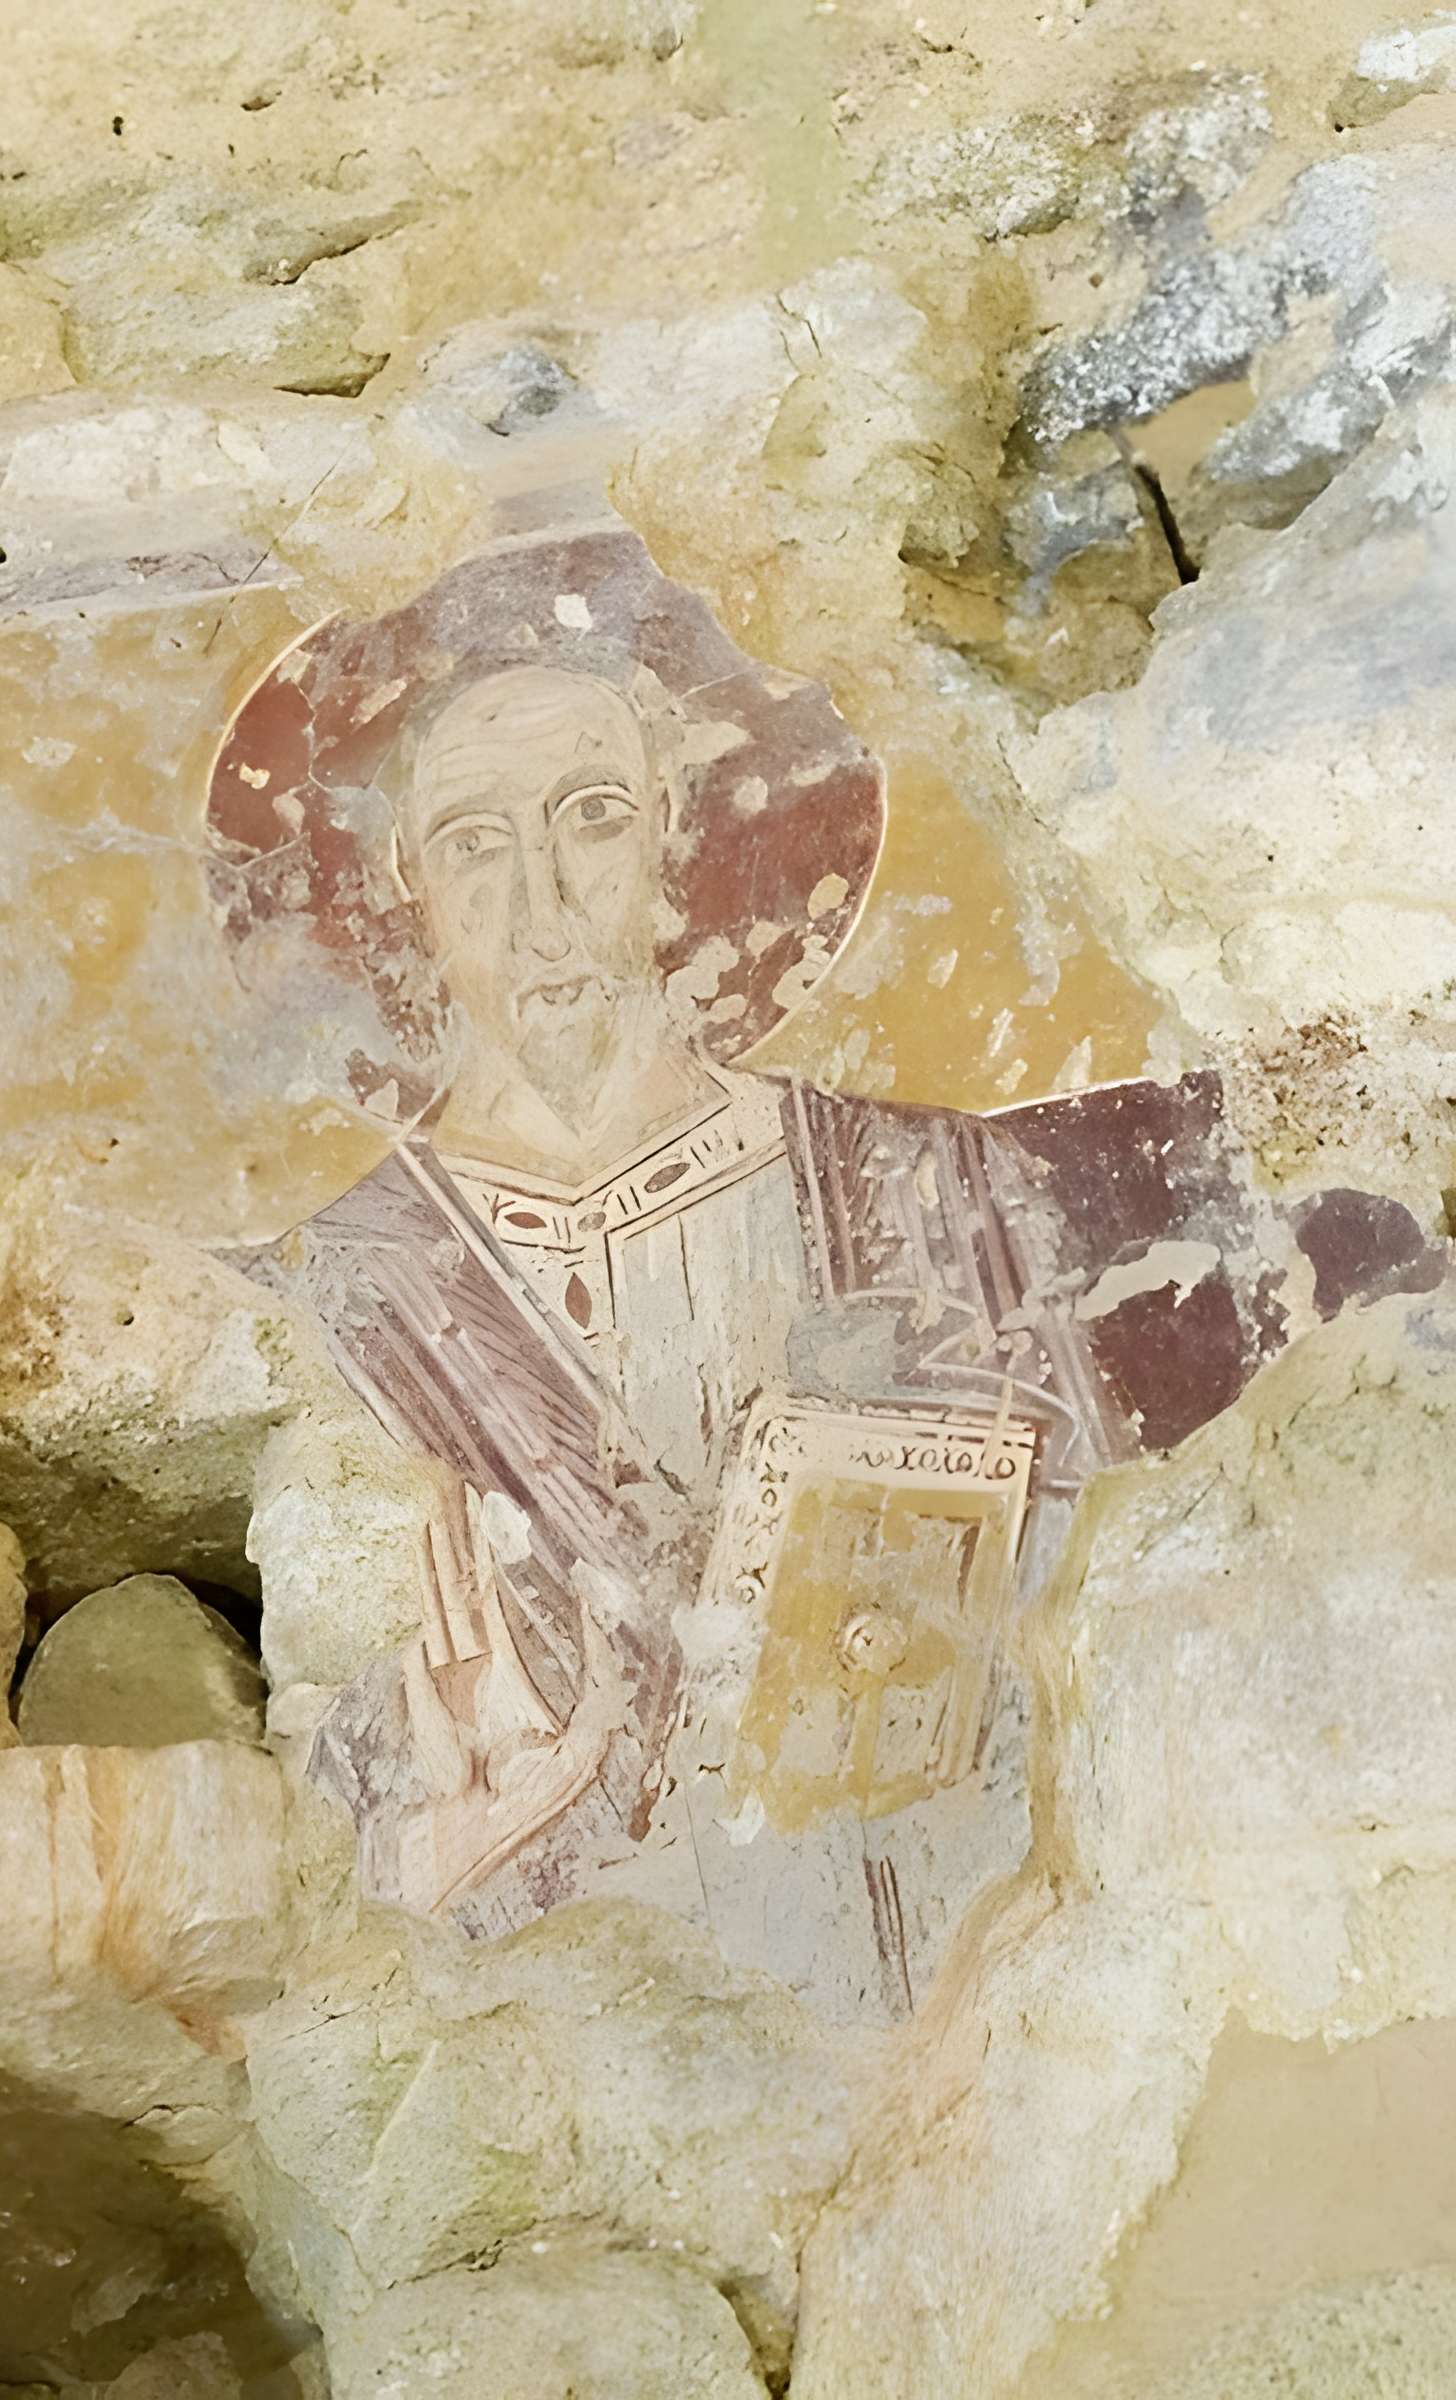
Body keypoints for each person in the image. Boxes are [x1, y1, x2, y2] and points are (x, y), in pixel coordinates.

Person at [245, 624, 1431, 2016]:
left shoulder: (919, 1184)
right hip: (564, 2027)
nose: (542, 901)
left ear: (673, 849)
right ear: (406, 897)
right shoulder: (341, 1284)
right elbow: (325, 1828)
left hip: (944, 1961)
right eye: (472, 844)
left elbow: (1097, 1588)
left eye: (593, 818)